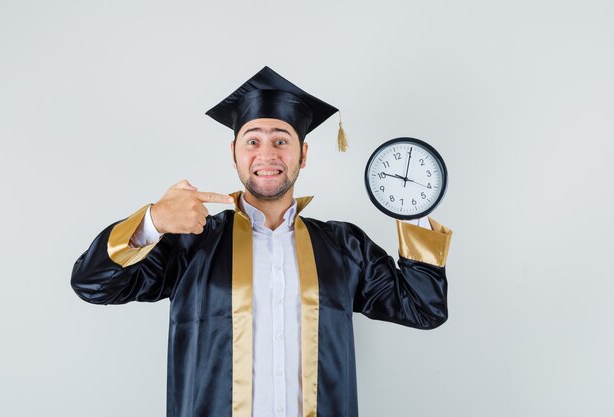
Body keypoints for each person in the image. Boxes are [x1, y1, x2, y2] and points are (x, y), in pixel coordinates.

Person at [71, 66, 453, 417]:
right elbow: (92, 284)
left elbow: (423, 307)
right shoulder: (191, 243)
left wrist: (414, 206)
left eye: (281, 140)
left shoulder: (343, 246)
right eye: (252, 141)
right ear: (233, 154)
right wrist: (153, 221)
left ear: (303, 155)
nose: (266, 154)